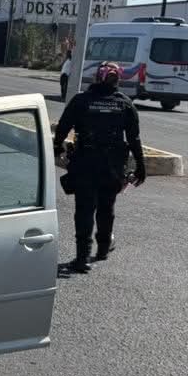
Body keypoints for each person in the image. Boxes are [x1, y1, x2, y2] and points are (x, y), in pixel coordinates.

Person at [52, 60, 145, 274]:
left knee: (84, 209)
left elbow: (63, 128)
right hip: (113, 166)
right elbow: (134, 138)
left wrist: (57, 148)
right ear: (117, 80)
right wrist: (141, 166)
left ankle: (82, 258)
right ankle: (102, 249)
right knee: (106, 207)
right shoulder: (124, 103)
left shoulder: (81, 101)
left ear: (96, 77)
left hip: (85, 162)